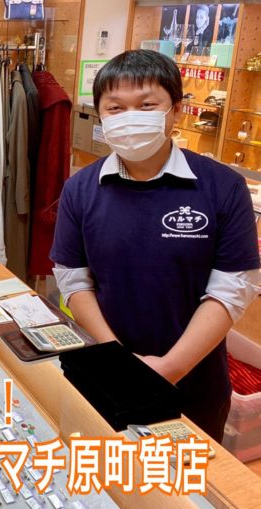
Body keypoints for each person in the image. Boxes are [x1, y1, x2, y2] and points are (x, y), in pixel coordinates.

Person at [51, 50, 260, 442]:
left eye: (146, 105)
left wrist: (169, 368)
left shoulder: (222, 187)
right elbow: (73, 279)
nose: (130, 116)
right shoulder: (80, 189)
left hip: (194, 384)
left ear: (175, 110)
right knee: (104, 472)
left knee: (185, 479)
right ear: (101, 114)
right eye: (115, 107)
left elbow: (233, 288)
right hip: (107, 373)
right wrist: (120, 360)